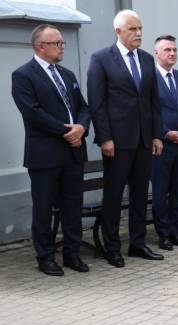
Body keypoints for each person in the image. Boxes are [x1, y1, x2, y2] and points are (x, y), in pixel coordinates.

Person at [11, 24, 91, 276]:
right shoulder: (23, 75)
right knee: (43, 208)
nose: (62, 46)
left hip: (74, 152)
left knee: (72, 206)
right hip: (45, 155)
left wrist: (81, 127)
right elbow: (33, 113)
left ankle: (72, 254)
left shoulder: (67, 74)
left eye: (62, 42)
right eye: (57, 43)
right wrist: (67, 132)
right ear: (40, 46)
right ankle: (45, 257)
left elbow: (83, 107)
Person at [87, 9, 165, 268]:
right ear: (118, 31)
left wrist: (156, 135)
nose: (139, 33)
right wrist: (105, 138)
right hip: (117, 142)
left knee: (141, 195)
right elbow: (97, 104)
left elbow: (153, 101)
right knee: (113, 196)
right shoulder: (101, 59)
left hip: (144, 140)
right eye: (133, 29)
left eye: (140, 28)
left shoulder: (145, 59)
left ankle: (137, 243)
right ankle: (112, 247)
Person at [151, 35, 178, 251]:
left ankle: (175, 228)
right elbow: (148, 113)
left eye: (175, 50)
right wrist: (166, 133)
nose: (172, 53)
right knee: (161, 191)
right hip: (162, 145)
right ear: (156, 53)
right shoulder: (148, 79)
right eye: (167, 49)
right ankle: (163, 234)